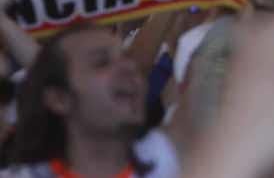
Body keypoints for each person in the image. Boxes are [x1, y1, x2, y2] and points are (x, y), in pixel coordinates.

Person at [4, 24, 179, 178]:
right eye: (101, 62)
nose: (130, 67)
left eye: (127, 58)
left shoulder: (172, 163)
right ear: (59, 99)